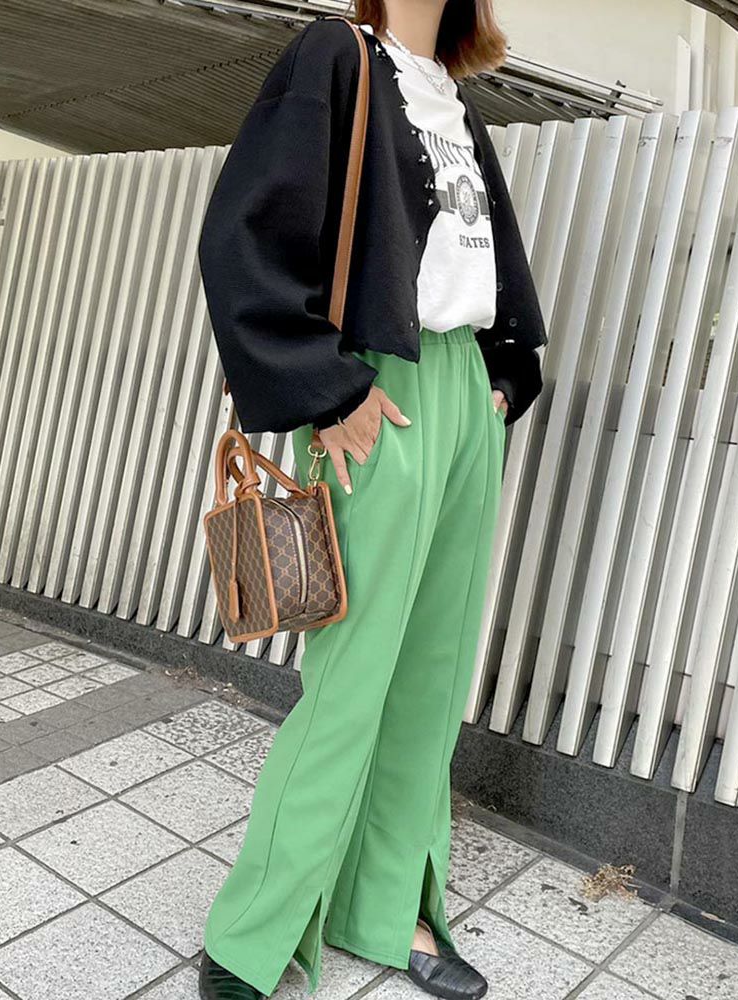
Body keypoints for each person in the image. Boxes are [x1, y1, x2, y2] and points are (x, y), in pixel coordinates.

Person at [195, 1, 547, 997]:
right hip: (380, 394)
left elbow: (477, 261)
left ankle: (391, 910)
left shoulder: (456, 101)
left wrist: (502, 378)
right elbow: (244, 231)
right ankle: (251, 936)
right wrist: (328, 388)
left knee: (431, 682)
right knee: (349, 687)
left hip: (464, 395)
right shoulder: (339, 56)